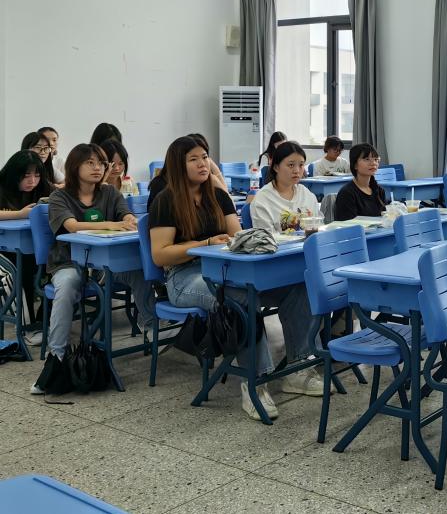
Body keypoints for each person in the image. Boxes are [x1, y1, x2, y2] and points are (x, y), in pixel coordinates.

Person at [148, 136, 321, 419]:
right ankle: (255, 383)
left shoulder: (218, 196)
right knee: (240, 298)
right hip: (184, 277)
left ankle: (297, 369)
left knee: (300, 286)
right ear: (178, 165)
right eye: (193, 159)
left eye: (205, 157)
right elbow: (160, 255)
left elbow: (237, 236)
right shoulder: (166, 200)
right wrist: (204, 244)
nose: (203, 164)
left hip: (226, 272)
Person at [30, 143, 155, 394]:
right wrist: (113, 224)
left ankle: (151, 327)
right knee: (67, 286)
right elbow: (72, 226)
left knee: (139, 270)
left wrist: (129, 219)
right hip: (68, 262)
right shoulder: (60, 197)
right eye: (90, 163)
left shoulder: (109, 192)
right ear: (75, 166)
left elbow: (124, 214)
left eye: (101, 163)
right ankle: (57, 357)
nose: (97, 168)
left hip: (102, 263)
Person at [0, 150, 52, 329]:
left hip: (31, 247)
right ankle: (27, 327)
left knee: (57, 265)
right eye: (26, 175)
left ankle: (44, 319)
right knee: (22, 269)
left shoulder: (43, 188)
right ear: (14, 174)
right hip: (6, 251)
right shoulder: (2, 187)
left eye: (37, 175)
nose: (32, 181)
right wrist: (20, 214)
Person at [249, 141, 319, 234]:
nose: (297, 170)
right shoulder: (262, 200)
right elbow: (266, 239)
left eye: (301, 165)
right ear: (276, 167)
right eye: (291, 165)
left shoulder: (306, 194)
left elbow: (317, 229)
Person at [334, 142, 387, 220]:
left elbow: (384, 217)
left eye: (376, 159)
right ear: (355, 165)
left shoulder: (379, 191)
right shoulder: (347, 193)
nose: (373, 163)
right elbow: (347, 224)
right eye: (367, 159)